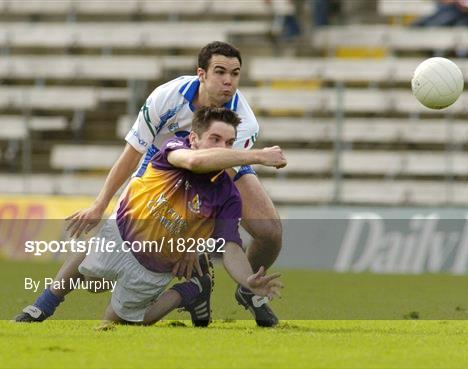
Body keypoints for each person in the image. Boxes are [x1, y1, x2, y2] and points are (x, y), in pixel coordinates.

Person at [14, 41, 284, 327]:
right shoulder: (168, 98)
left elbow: (216, 186)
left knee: (270, 232)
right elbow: (135, 154)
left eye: (235, 73)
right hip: (164, 164)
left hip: (217, 172)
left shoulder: (244, 124)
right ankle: (45, 302)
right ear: (201, 74)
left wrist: (191, 245)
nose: (228, 80)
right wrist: (100, 204)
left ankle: (246, 288)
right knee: (104, 260)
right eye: (220, 72)